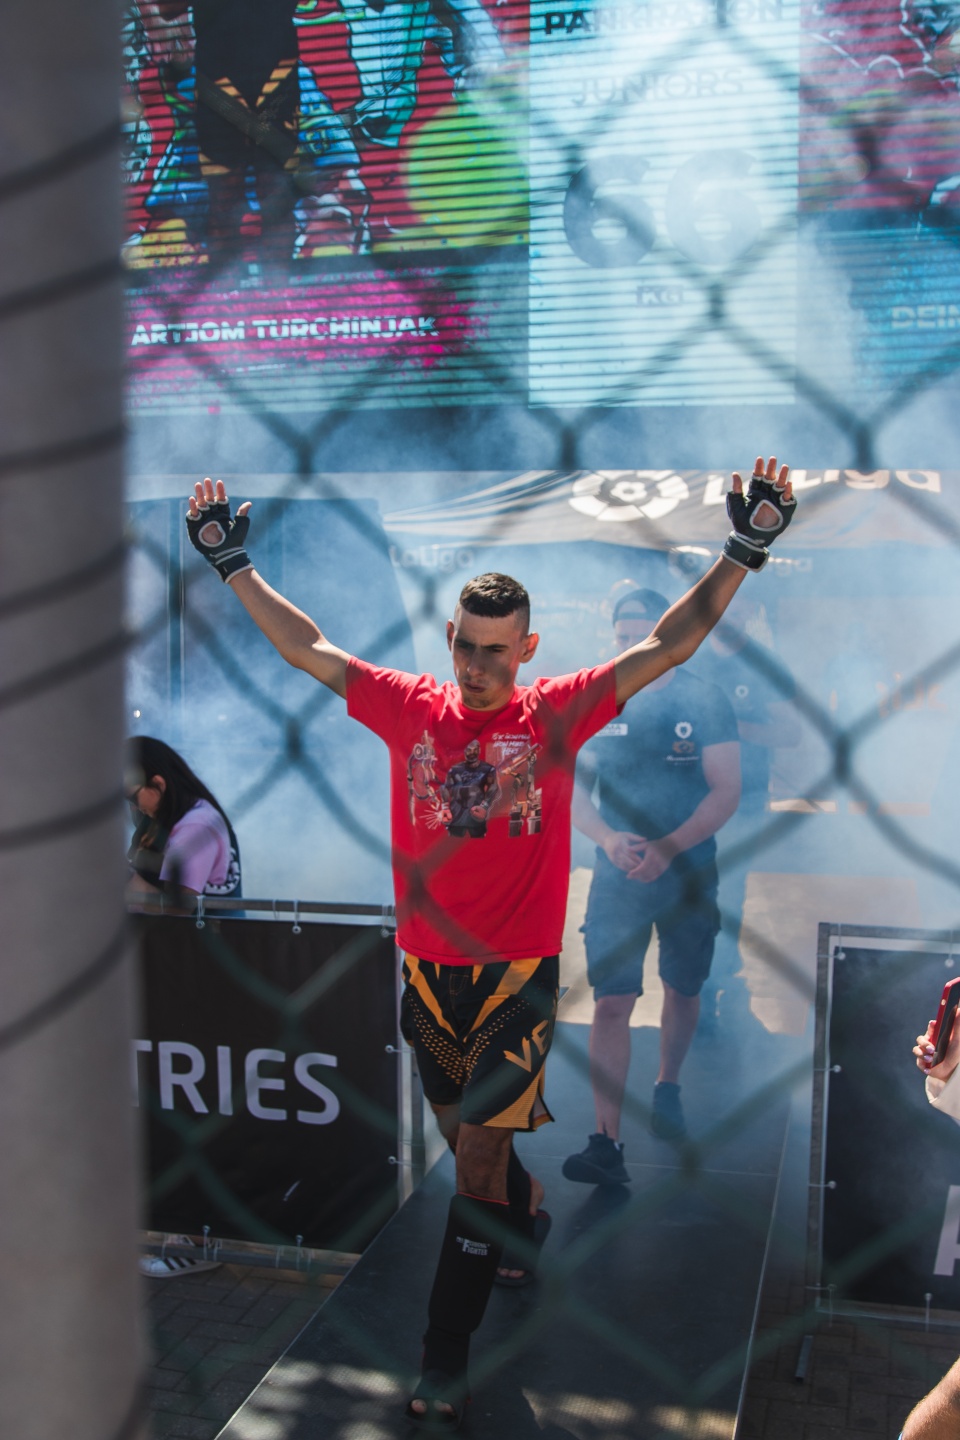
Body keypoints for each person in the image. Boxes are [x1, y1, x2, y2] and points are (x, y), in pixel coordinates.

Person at [184, 457, 796, 1427]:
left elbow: (667, 645)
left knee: (472, 1164)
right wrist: (233, 566)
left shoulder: (556, 710)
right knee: (470, 1146)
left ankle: (443, 1354)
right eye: (467, 648)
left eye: (497, 652)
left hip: (517, 980)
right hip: (429, 977)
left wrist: (742, 550)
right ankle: (526, 1218)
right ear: (451, 640)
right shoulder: (409, 706)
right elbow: (310, 648)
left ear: (528, 649)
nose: (478, 668)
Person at [562, 590, 740, 1171]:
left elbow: (726, 789)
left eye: (643, 635)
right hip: (617, 874)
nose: (632, 646)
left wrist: (670, 847)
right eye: (622, 637)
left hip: (687, 871)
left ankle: (668, 1084)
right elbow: (571, 793)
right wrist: (607, 838)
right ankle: (605, 1141)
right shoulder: (597, 699)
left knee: (682, 988)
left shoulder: (705, 699)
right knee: (612, 1000)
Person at [693, 589, 800, 1031]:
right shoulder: (690, 657)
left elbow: (790, 733)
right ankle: (694, 983)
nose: (730, 615)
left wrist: (732, 729)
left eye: (739, 607)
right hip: (687, 798)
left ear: (752, 610)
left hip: (745, 799)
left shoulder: (765, 664)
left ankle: (716, 988)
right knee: (691, 895)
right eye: (725, 605)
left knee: (728, 892)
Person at [126, 735, 242, 904]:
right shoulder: (154, 820)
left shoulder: (196, 824)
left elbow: (178, 908)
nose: (132, 807)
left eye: (132, 797)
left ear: (158, 783)